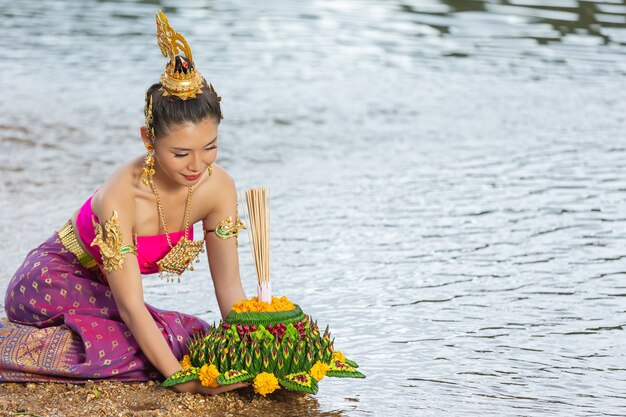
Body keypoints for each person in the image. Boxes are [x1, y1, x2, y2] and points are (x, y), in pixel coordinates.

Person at [0, 11, 248, 395]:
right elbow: (132, 307)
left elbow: (230, 289)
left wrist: (257, 349)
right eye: (181, 154)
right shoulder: (120, 197)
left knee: (194, 335)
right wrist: (183, 383)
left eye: (210, 147)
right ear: (148, 139)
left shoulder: (220, 190)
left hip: (103, 295)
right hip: (47, 283)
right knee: (166, 348)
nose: (198, 165)